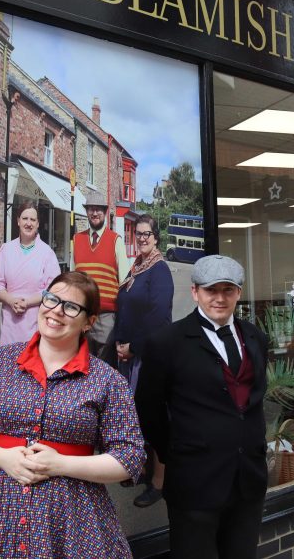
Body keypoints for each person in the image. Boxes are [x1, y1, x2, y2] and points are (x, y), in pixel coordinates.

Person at [0, 271, 146, 558]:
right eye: (51, 299)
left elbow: (130, 456)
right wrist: (2, 457)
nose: (56, 311)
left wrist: (61, 464)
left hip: (73, 516)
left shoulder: (107, 381)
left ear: (89, 322)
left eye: (71, 307)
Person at [136, 255, 269, 559]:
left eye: (228, 290)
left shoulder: (255, 337)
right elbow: (148, 408)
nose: (220, 298)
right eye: (211, 290)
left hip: (248, 479)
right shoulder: (167, 342)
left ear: (239, 292)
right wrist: (176, 451)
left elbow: (251, 400)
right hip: (194, 481)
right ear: (195, 292)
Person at [114, 214, 174, 507]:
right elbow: (126, 308)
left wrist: (133, 348)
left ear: (156, 237)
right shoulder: (137, 266)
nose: (142, 238)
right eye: (138, 234)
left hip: (149, 358)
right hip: (129, 355)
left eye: (147, 234)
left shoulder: (159, 270)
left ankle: (159, 483)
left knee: (153, 418)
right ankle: (141, 470)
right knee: (135, 417)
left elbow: (159, 320)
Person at [71, 190, 129, 358]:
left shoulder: (115, 240)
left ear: (105, 212)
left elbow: (125, 284)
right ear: (87, 212)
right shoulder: (77, 240)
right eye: (91, 209)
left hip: (107, 318)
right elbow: (73, 281)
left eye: (98, 209)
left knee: (105, 366)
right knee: (81, 364)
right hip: (82, 315)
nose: (94, 213)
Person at [0, 202, 60, 344]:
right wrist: (11, 301)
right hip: (9, 325)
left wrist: (28, 302)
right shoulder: (6, 250)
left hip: (35, 323)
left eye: (32, 220)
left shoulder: (47, 253)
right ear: (18, 221)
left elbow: (54, 290)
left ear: (37, 224)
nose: (28, 223)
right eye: (25, 218)